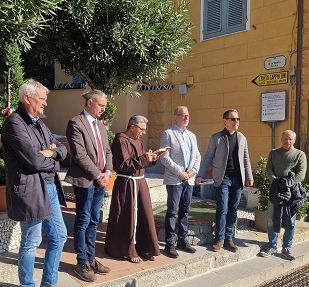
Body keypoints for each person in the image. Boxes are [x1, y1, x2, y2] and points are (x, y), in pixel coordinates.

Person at [1, 79, 68, 287]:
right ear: (27, 98)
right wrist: (52, 160)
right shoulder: (14, 123)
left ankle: (49, 283)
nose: (46, 103)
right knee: (31, 242)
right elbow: (33, 160)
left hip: (50, 188)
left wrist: (51, 152)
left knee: (59, 236)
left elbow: (62, 148)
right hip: (31, 190)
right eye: (42, 99)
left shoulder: (39, 122)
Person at [65, 90, 112, 282]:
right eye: (101, 105)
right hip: (86, 181)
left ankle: (92, 259)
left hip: (100, 181)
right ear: (90, 102)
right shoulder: (76, 123)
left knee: (94, 220)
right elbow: (79, 155)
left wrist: (108, 172)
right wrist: (98, 174)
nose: (103, 108)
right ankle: (82, 262)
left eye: (104, 105)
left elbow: (107, 150)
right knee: (83, 220)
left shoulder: (100, 125)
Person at [105, 115, 160, 263]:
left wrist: (152, 159)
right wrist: (144, 159)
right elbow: (124, 165)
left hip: (140, 183)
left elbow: (140, 162)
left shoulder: (138, 141)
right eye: (141, 129)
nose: (143, 132)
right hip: (127, 184)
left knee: (144, 216)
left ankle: (145, 248)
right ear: (132, 126)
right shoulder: (121, 141)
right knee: (127, 217)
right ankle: (127, 250)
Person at [196, 109, 254, 252]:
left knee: (233, 209)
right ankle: (219, 239)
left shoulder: (242, 138)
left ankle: (229, 239)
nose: (236, 122)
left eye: (238, 119)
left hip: (238, 179)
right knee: (222, 208)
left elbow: (246, 158)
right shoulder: (217, 138)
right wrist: (200, 174)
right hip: (223, 178)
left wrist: (249, 176)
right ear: (225, 121)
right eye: (233, 119)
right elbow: (208, 156)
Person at [160, 106, 201, 258]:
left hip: (189, 179)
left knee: (185, 210)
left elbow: (197, 155)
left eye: (188, 115)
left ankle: (182, 240)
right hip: (175, 179)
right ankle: (170, 243)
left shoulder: (192, 135)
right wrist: (180, 172)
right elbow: (164, 157)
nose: (186, 118)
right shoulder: (168, 134)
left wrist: (192, 172)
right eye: (183, 115)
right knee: (172, 211)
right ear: (176, 116)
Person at [259, 130, 307, 260]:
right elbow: (269, 169)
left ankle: (287, 247)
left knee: (290, 221)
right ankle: (272, 245)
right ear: (281, 139)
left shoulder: (299, 155)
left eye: (290, 139)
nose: (287, 141)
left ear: (294, 140)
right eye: (285, 139)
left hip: (292, 192)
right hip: (275, 190)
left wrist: (287, 185)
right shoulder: (274, 153)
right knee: (271, 219)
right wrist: (276, 182)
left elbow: (301, 175)